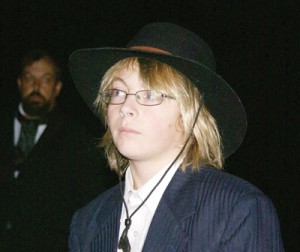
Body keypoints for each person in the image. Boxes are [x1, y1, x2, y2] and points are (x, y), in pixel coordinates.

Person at [68, 22, 284, 251]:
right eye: (118, 92)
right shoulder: (87, 222)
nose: (125, 107)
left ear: (190, 113)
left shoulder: (237, 211)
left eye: (150, 94)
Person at [0, 49, 118, 251]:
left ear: (57, 87)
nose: (36, 87)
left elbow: (89, 208)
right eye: (30, 78)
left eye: (45, 80)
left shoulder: (79, 141)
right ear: (20, 83)